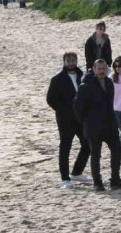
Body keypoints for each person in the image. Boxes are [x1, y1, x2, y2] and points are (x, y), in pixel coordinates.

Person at [73, 59, 121, 191]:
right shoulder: (86, 86)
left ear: (107, 69)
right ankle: (97, 183)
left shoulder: (109, 82)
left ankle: (115, 180)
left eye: (103, 69)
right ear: (94, 69)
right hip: (93, 127)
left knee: (117, 151)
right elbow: (78, 108)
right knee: (96, 154)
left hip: (110, 125)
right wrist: (87, 122)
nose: (101, 71)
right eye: (99, 69)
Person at [46, 52, 91, 189]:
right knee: (65, 147)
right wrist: (64, 110)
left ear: (77, 61)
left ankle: (77, 172)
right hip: (65, 119)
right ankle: (65, 178)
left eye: (73, 60)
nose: (71, 63)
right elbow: (50, 99)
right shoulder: (57, 79)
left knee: (87, 144)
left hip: (80, 118)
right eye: (69, 60)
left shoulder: (82, 76)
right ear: (64, 61)